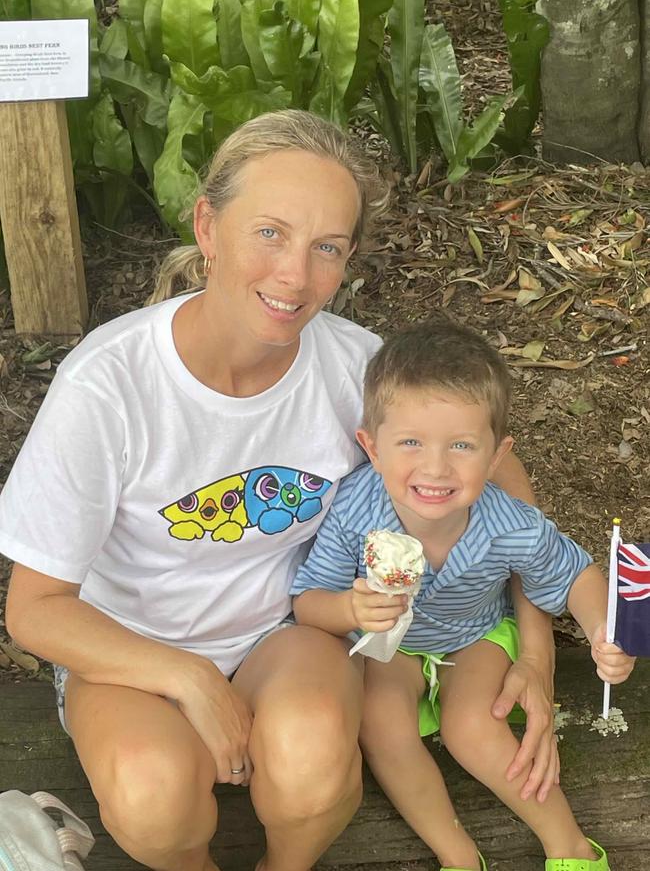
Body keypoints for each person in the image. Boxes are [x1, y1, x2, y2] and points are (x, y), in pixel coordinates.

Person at [2, 111, 555, 871]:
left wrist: (537, 649)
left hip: (288, 633)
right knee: (149, 797)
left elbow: (498, 474)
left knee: (316, 758)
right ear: (208, 227)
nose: (296, 275)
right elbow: (33, 610)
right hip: (132, 645)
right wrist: (186, 676)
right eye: (270, 233)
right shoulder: (109, 384)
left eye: (326, 247)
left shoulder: (358, 369)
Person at [291, 315, 635, 871]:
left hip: (473, 632)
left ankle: (569, 845)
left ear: (497, 455)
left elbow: (576, 575)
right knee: (381, 724)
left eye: (461, 446)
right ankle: (457, 854)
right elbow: (308, 599)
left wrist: (601, 631)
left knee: (473, 725)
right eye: (410, 442)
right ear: (371, 447)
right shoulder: (355, 511)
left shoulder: (508, 524)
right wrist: (350, 608)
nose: (435, 467)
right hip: (388, 645)